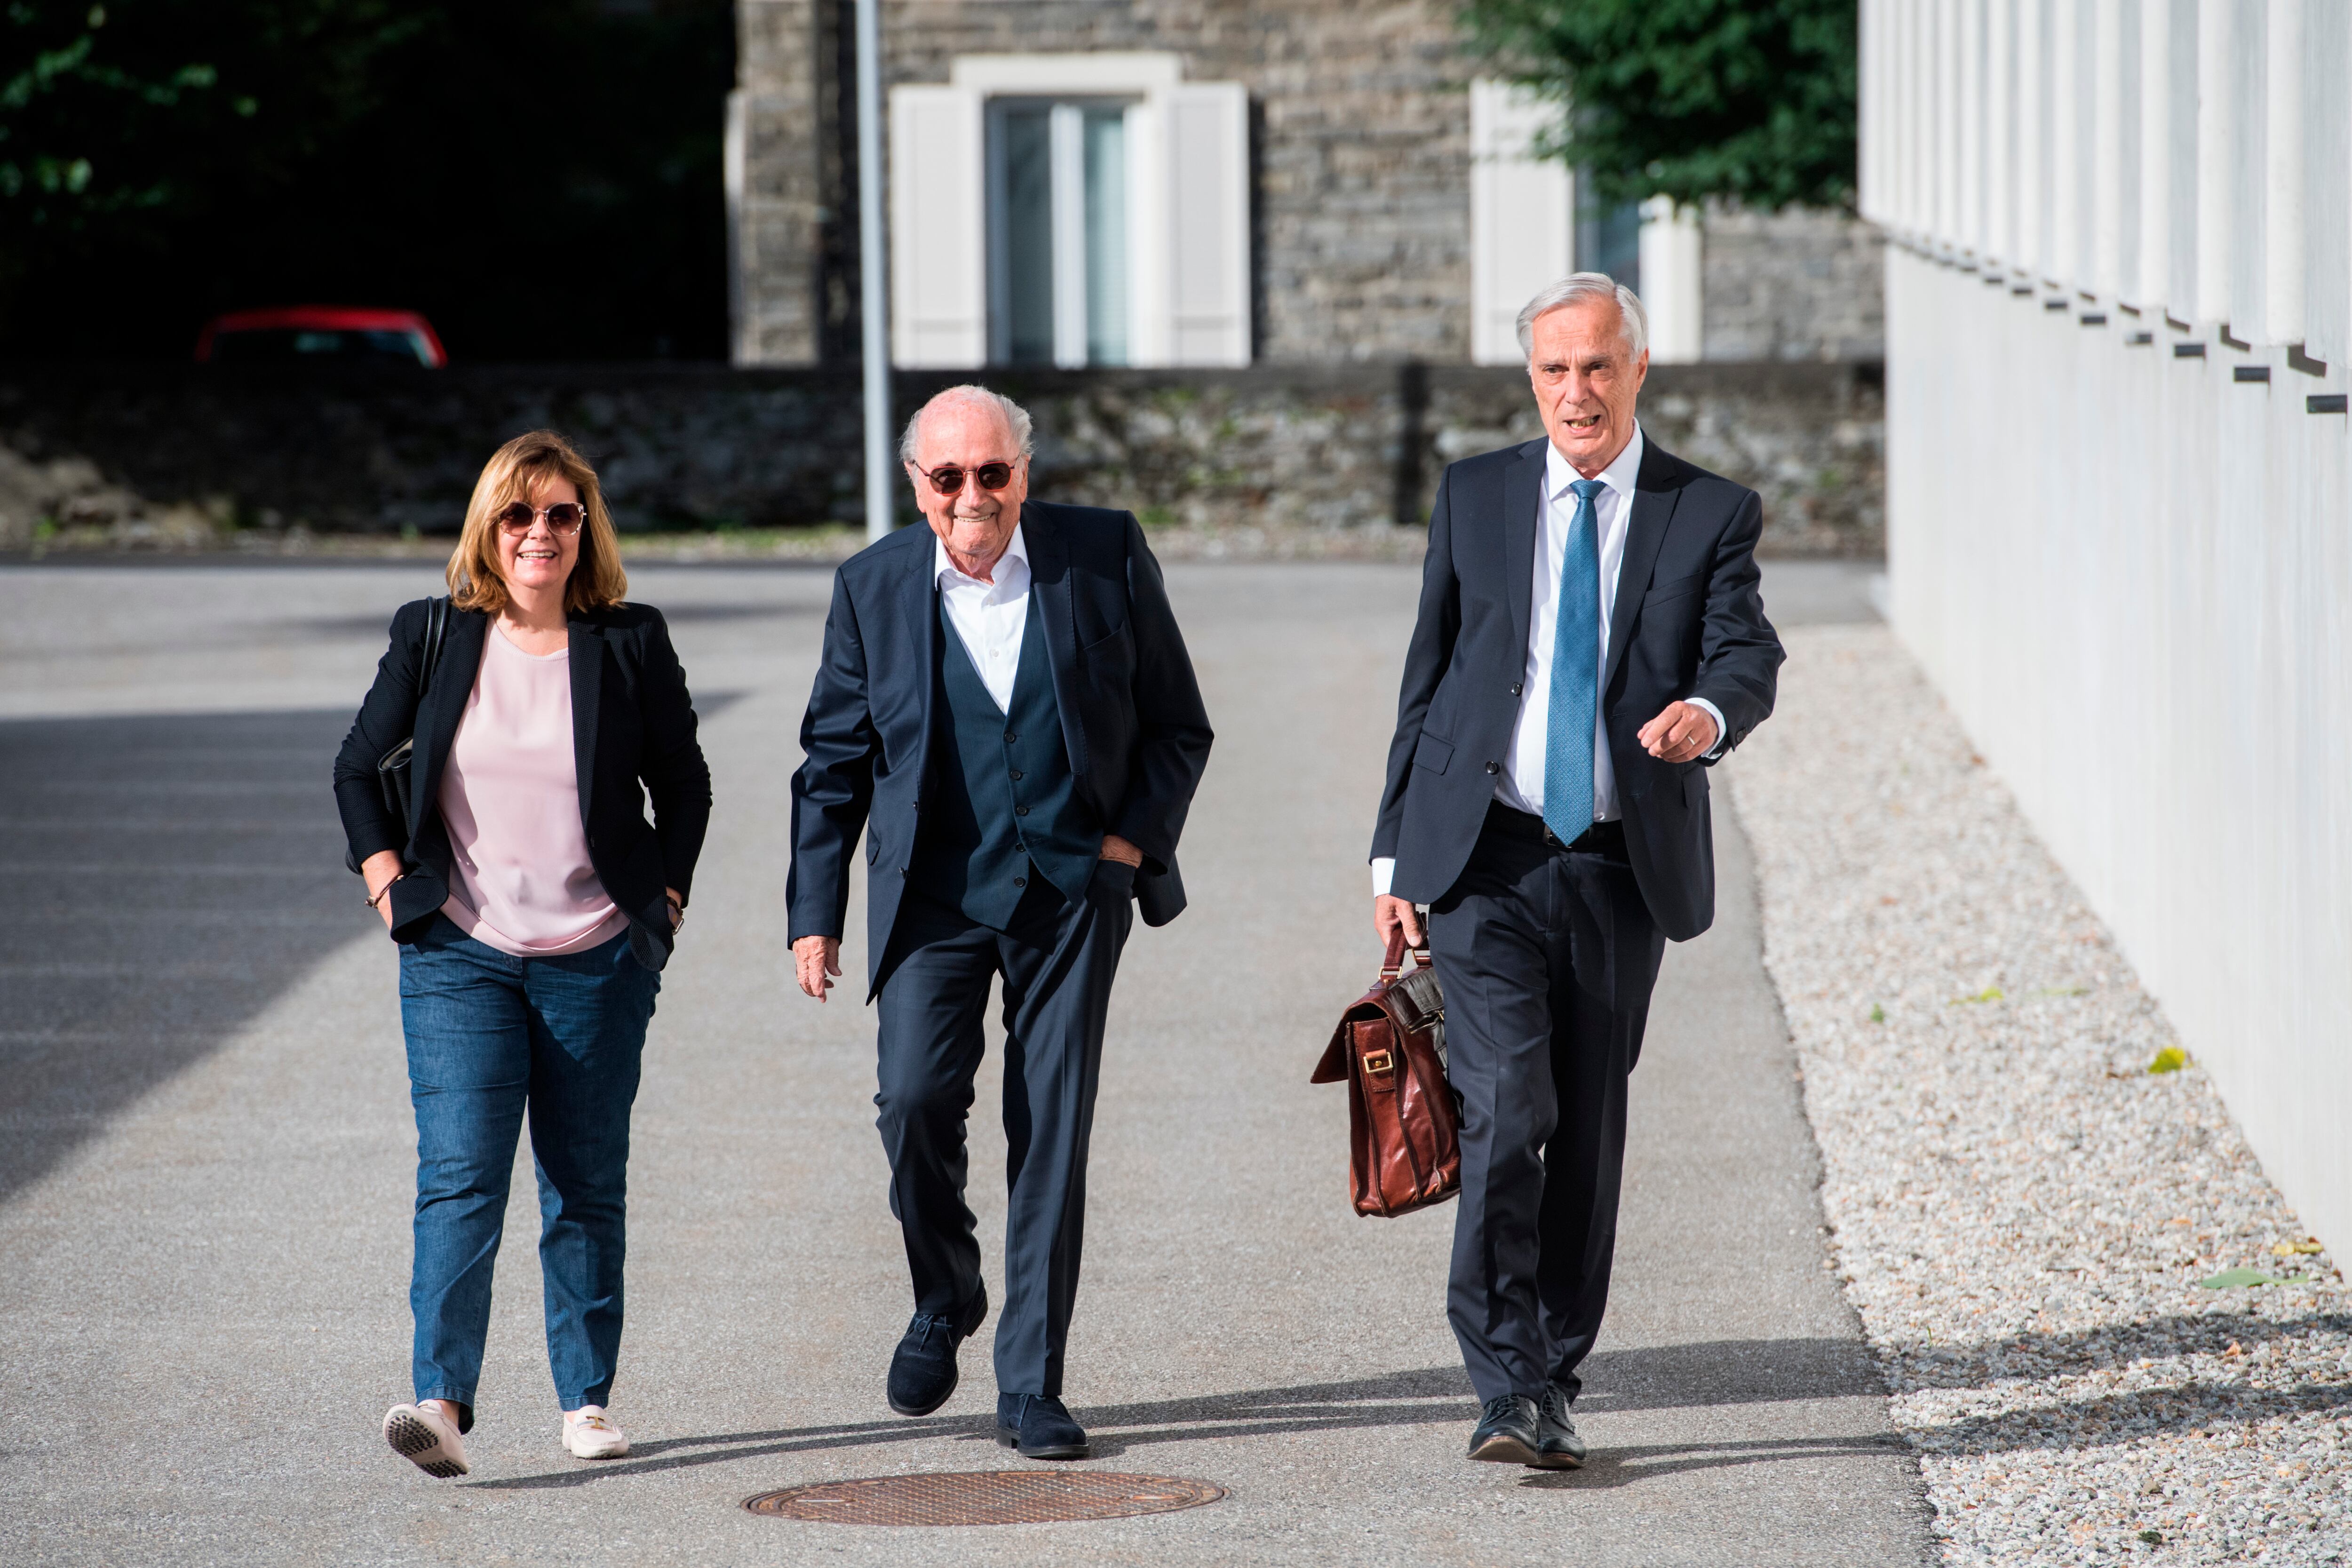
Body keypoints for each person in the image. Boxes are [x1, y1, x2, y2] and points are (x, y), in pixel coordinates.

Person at [1369, 275, 1784, 1470]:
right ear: (1532, 380)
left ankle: (1554, 1370)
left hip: (1615, 864)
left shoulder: (1707, 511)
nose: (1575, 392)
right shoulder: (1477, 492)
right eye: (1553, 371)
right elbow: (1431, 672)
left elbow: (1743, 649)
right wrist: (1394, 847)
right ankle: (1503, 1379)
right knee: (1507, 1107)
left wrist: (1706, 713)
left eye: (1596, 367)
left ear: (1638, 369)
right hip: (1486, 853)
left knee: (1588, 1126)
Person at [787, 385, 1212, 1461]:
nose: (972, 495)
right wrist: (815, 912)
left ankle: (1031, 1383)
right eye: (949, 477)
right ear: (917, 485)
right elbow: (831, 765)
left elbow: (1177, 724)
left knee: (1052, 1127)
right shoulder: (873, 586)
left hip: (1073, 889)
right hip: (932, 894)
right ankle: (948, 1290)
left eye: (993, 473)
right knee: (914, 1104)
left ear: (1025, 472)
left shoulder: (1102, 554)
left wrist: (1126, 848)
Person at [333, 430, 711, 1478]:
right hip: (462, 953)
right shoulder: (433, 634)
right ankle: (441, 1400)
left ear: (585, 528)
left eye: (560, 514)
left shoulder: (629, 639)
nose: (539, 532)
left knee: (583, 1180)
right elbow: (360, 767)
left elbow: (685, 781)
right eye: (518, 514)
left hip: (597, 955)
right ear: (488, 529)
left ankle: (587, 1399)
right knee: (460, 1172)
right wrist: (384, 885)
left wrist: (664, 897)